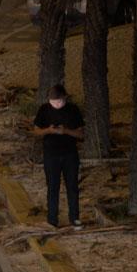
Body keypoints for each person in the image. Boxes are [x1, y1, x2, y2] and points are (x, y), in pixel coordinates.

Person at [33, 84, 84, 229]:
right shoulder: (44, 110)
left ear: (64, 98)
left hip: (70, 154)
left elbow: (81, 134)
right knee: (53, 187)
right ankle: (52, 219)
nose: (56, 104)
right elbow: (36, 132)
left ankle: (74, 218)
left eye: (59, 101)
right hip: (51, 155)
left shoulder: (73, 110)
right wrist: (48, 130)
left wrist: (66, 131)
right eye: (53, 102)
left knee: (72, 187)